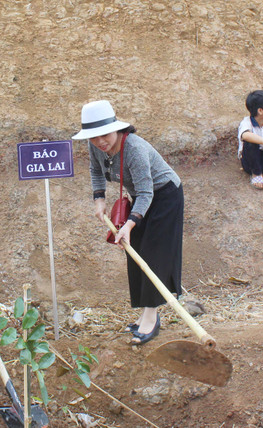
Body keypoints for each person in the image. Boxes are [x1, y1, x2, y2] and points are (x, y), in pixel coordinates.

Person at [72, 100, 184, 346]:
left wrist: (130, 224)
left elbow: (146, 192)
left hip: (165, 196)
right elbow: (95, 170)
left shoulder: (133, 148)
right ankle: (146, 313)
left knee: (153, 255)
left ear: (117, 128)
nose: (101, 142)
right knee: (137, 254)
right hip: (143, 198)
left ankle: (151, 318)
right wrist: (99, 199)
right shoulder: (97, 147)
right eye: (94, 137)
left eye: (105, 135)